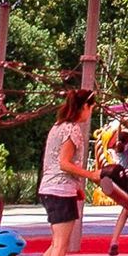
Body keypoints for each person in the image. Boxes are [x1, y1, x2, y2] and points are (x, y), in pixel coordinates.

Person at [38, 87, 98, 238]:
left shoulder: (58, 126)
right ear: (85, 106)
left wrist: (76, 186)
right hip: (60, 190)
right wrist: (91, 175)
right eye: (91, 108)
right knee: (60, 244)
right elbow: (64, 163)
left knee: (56, 243)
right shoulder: (72, 129)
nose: (90, 113)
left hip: (49, 187)